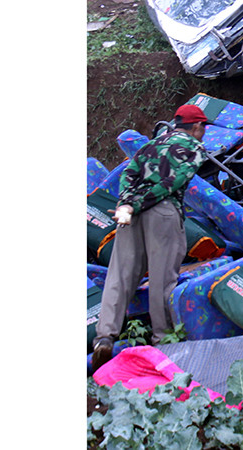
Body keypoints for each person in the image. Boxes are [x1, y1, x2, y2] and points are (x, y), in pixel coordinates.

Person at [91, 104, 210, 370]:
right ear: (196, 127)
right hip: (161, 213)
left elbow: (128, 174)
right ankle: (164, 343)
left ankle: (104, 337)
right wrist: (139, 204)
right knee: (162, 278)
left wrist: (126, 205)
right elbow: (173, 183)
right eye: (203, 128)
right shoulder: (193, 148)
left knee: (119, 274)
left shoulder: (150, 146)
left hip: (129, 214)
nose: (203, 133)